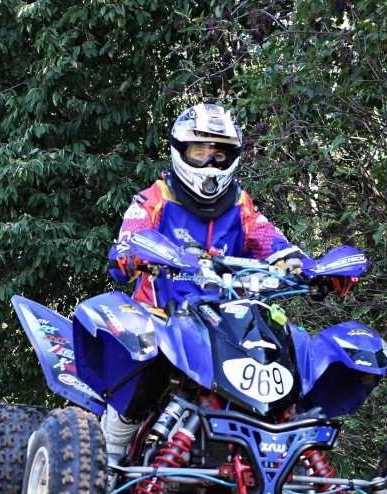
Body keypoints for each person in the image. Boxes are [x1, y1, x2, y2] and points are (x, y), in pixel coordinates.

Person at [102, 102, 306, 460]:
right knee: (141, 371)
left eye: (219, 154)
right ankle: (110, 453)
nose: (210, 163)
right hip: (161, 320)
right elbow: (130, 237)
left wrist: (299, 264)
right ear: (181, 152)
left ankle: (290, 462)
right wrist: (128, 254)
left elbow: (270, 240)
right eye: (200, 152)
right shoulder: (155, 199)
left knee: (289, 354)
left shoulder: (241, 205)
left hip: (227, 326)